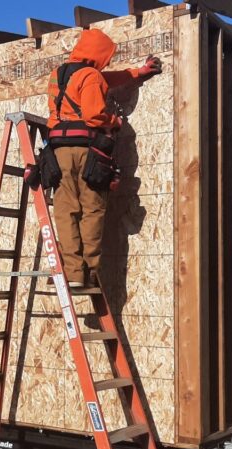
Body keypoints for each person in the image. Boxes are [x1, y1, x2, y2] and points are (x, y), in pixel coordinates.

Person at [45, 28, 162, 288]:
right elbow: (94, 114)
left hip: (58, 150)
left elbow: (107, 78)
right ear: (97, 54)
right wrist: (115, 121)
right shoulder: (92, 76)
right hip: (88, 151)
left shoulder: (59, 75)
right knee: (92, 208)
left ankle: (73, 273)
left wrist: (137, 73)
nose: (105, 62)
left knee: (65, 210)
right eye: (105, 57)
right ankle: (91, 273)